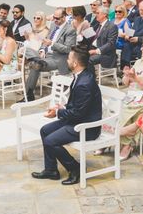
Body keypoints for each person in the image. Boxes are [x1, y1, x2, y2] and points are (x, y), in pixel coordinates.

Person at [31, 46, 102, 185]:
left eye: (69, 58)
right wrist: (62, 107)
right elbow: (77, 106)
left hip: (86, 126)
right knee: (45, 130)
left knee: (50, 141)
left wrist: (58, 112)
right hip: (78, 119)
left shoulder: (84, 82)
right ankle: (51, 170)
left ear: (75, 63)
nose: (67, 60)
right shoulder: (81, 76)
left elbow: (78, 113)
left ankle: (75, 168)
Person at [24, 8, 76, 102]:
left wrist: (52, 44)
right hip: (45, 55)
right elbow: (45, 41)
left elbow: (68, 49)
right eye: (54, 17)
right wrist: (42, 50)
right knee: (26, 49)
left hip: (58, 58)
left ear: (64, 17)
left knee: (35, 65)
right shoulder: (52, 25)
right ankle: (37, 59)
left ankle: (28, 95)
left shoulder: (70, 30)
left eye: (57, 18)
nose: (55, 20)